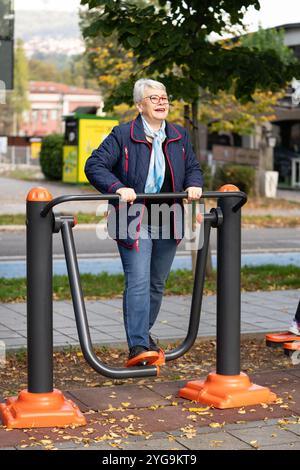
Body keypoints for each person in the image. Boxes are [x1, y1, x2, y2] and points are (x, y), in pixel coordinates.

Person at [85, 78, 203, 366]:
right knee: (138, 281)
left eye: (164, 98)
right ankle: (137, 345)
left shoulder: (178, 135)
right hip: (133, 216)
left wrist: (194, 185)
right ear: (140, 105)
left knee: (156, 283)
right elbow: (94, 165)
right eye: (154, 98)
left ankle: (143, 337)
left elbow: (192, 168)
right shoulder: (123, 134)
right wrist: (116, 187)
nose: (162, 102)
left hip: (169, 216)